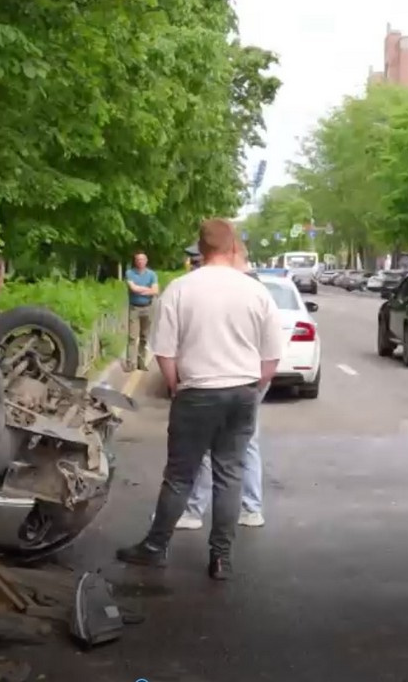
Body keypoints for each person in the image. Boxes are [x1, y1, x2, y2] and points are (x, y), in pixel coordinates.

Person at [115, 219, 285, 581]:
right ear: (233, 246)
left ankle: (156, 548)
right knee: (229, 474)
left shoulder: (180, 289)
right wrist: (252, 388)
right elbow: (271, 359)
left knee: (179, 476)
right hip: (242, 393)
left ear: (201, 249)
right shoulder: (255, 291)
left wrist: (178, 387)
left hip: (196, 392)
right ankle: (221, 558)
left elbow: (163, 353)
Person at [177, 243, 267, 530]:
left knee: (207, 446)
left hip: (224, 378)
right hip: (248, 378)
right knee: (246, 444)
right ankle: (251, 508)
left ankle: (193, 511)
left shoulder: (228, 285)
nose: (195, 265)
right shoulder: (252, 285)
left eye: (197, 260)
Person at [124, 251, 159, 372]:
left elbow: (155, 291)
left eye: (142, 259)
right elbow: (133, 289)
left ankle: (141, 361)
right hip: (135, 307)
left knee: (144, 336)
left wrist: (141, 290)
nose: (140, 262)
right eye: (138, 259)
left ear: (146, 261)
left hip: (147, 308)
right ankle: (130, 363)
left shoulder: (152, 274)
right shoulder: (129, 273)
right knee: (132, 337)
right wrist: (147, 289)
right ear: (135, 261)